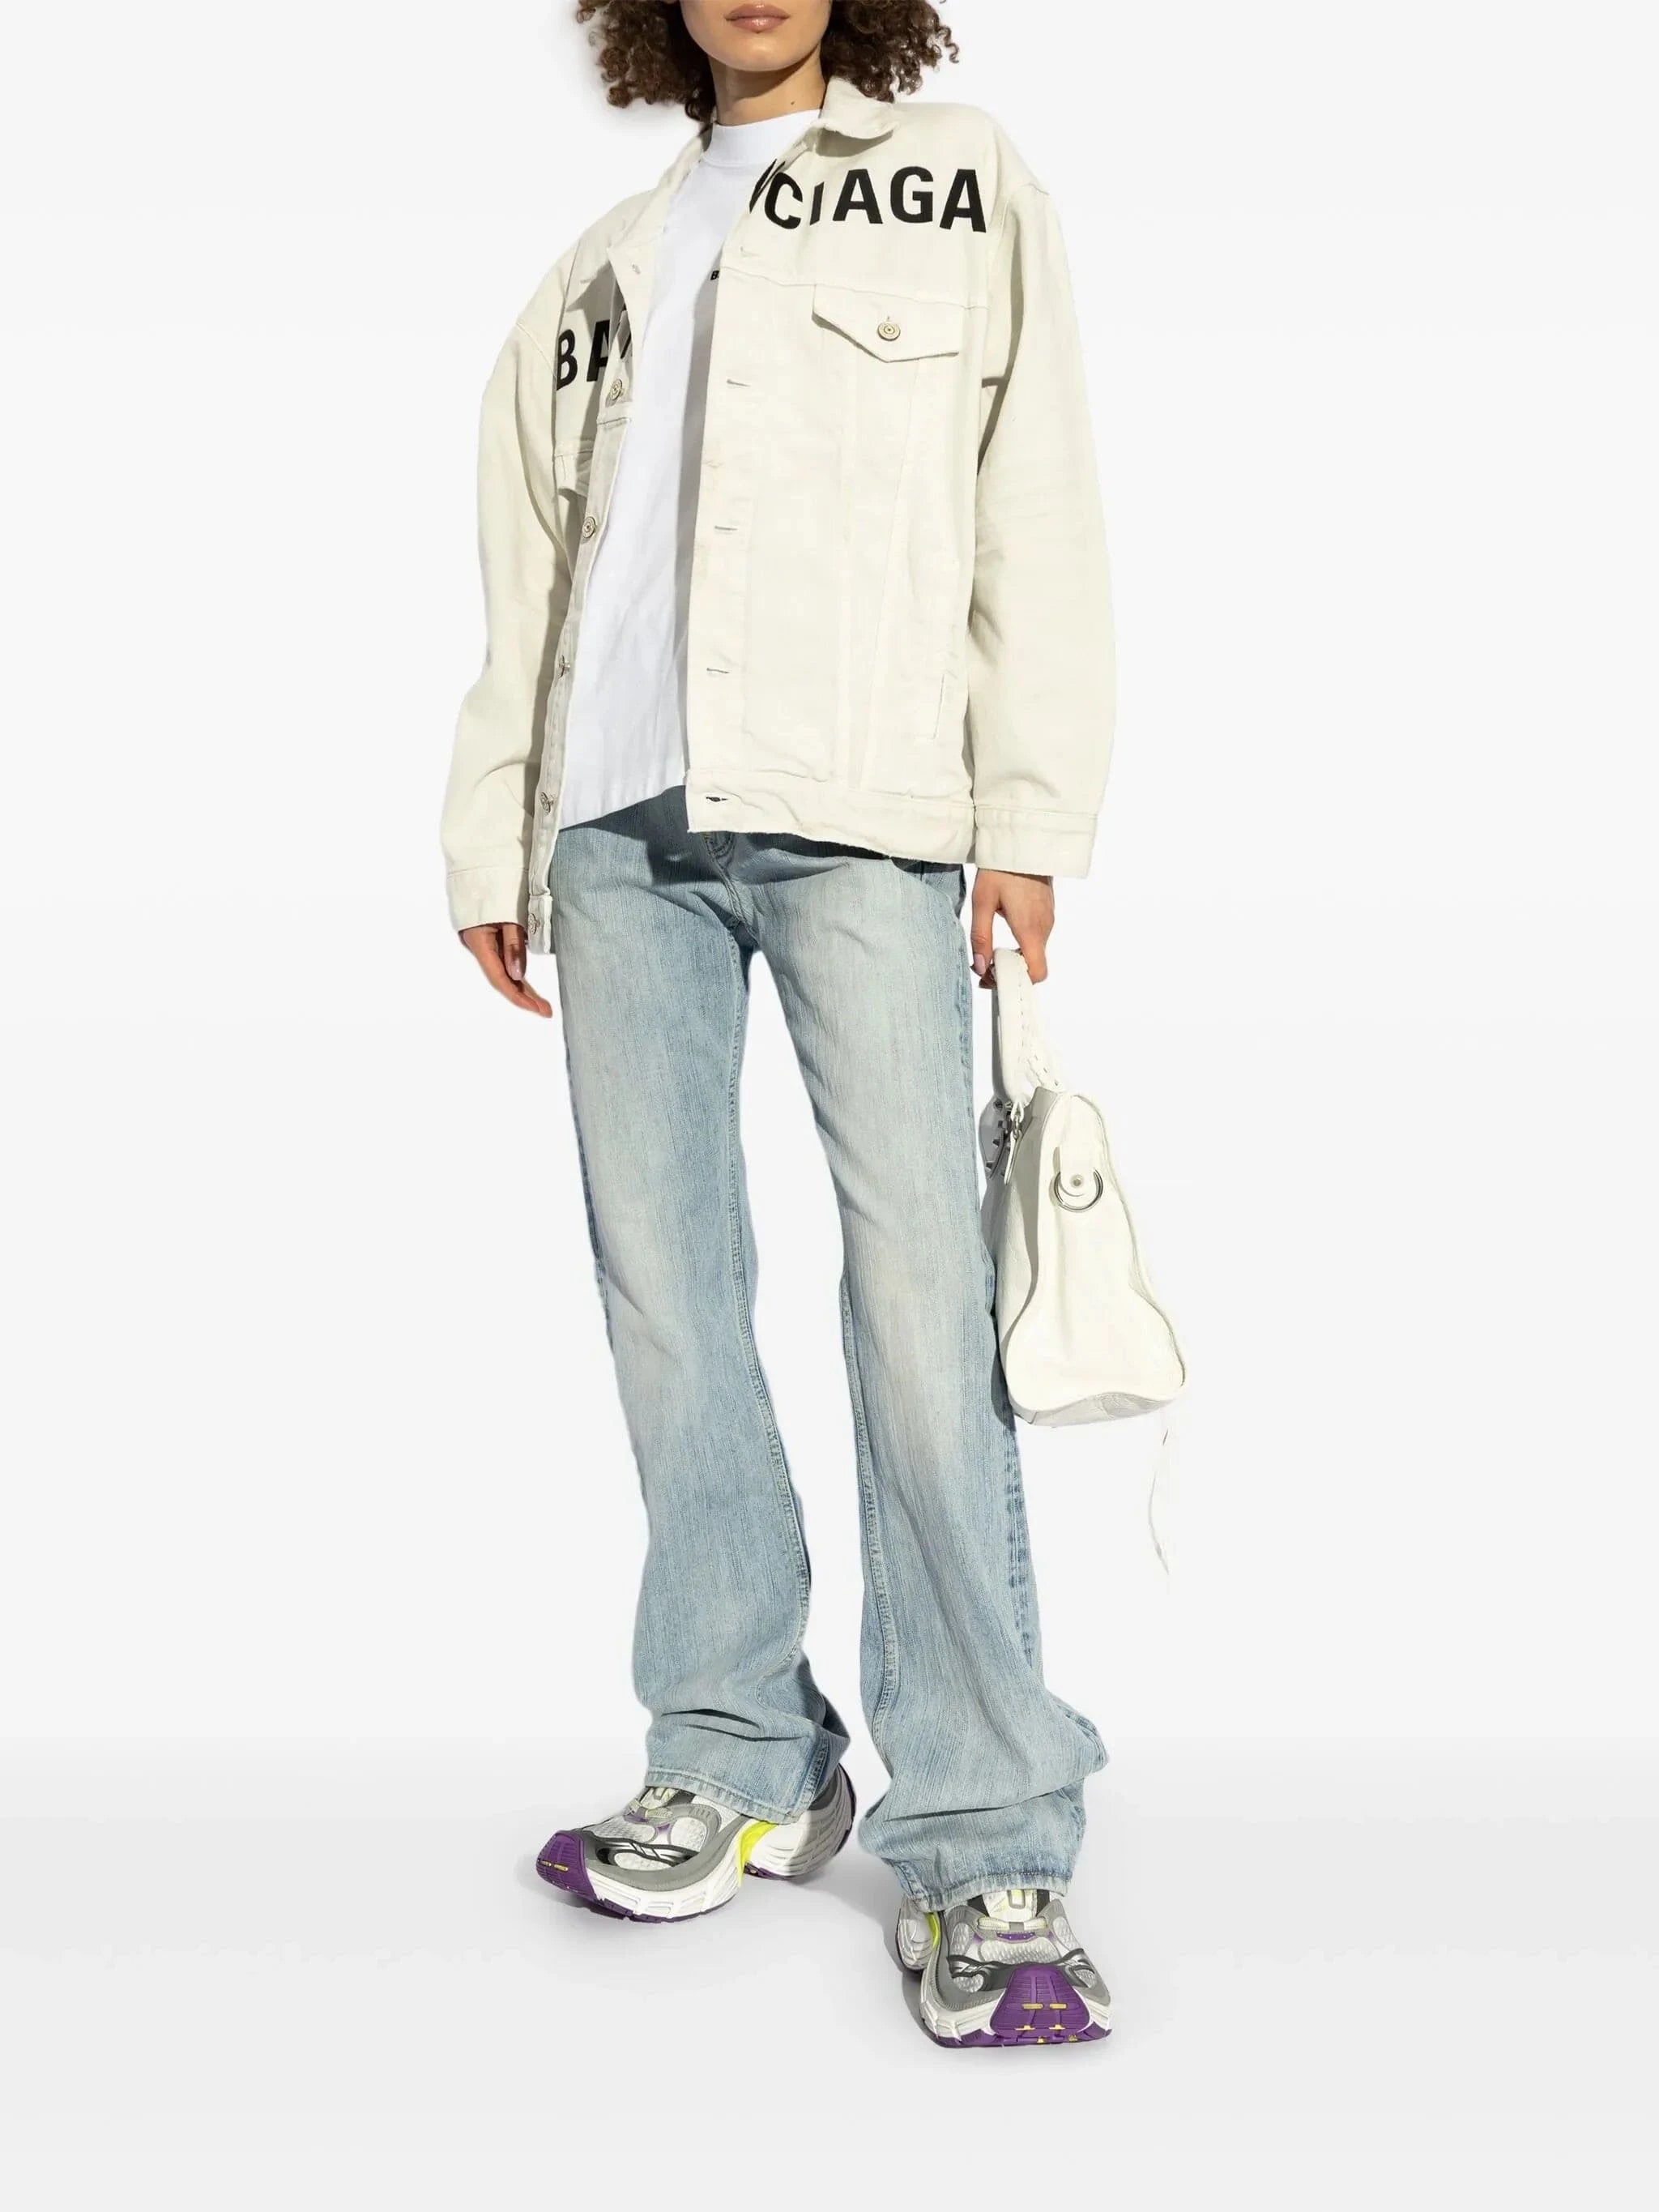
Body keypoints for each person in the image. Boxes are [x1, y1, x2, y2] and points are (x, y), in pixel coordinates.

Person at [441, 0, 1116, 2048]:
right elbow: (537, 571)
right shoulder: (600, 264)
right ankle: (736, 1749)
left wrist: (1030, 816)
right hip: (615, 835)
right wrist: (499, 824)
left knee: (917, 1305)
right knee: (666, 1302)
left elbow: (1032, 503)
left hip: (865, 815)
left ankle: (986, 1829)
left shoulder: (958, 181)